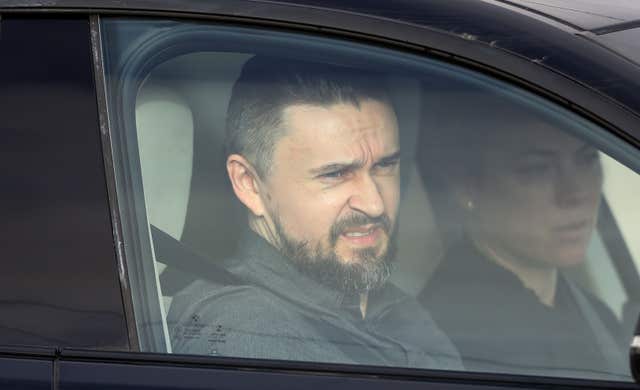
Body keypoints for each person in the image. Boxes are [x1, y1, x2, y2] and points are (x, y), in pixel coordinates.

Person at [167, 56, 461, 369]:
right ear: (250, 184)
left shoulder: (396, 308)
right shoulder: (246, 334)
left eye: (385, 166)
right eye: (335, 174)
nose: (375, 204)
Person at [417, 96, 629, 380]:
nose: (574, 192)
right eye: (537, 169)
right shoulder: (454, 334)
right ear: (467, 187)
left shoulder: (594, 313)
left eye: (587, 158)